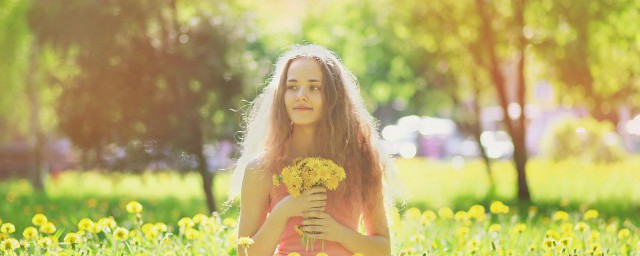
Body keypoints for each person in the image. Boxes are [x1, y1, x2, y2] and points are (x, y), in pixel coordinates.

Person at [230, 44, 403, 256]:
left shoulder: (363, 162)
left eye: (314, 87)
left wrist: (339, 233)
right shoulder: (261, 168)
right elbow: (245, 253)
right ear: (281, 96)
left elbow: (383, 250)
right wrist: (283, 211)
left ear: (334, 98)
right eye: (292, 87)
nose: (301, 95)